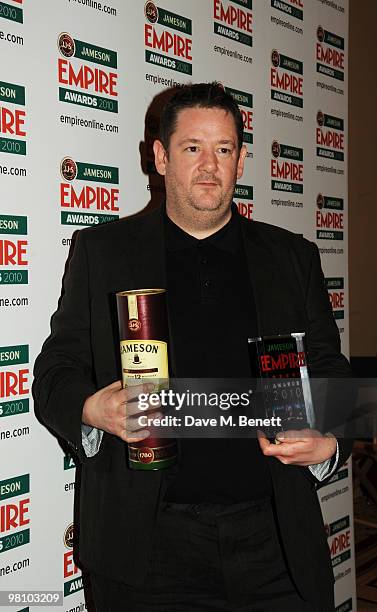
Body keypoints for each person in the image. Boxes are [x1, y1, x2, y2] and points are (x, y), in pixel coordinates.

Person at [33, 83, 353, 611]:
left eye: (224, 149)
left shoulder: (292, 257)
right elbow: (57, 369)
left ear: (241, 160)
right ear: (160, 157)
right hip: (147, 549)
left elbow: (330, 370)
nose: (209, 166)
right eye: (191, 148)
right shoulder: (102, 251)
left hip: (276, 541)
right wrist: (94, 409)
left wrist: (331, 443)